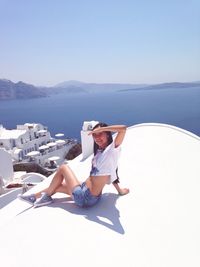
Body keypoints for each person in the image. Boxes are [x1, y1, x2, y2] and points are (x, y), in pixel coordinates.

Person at [18, 123, 129, 208]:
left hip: (85, 197)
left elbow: (123, 129)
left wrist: (103, 128)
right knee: (57, 186)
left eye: (100, 134)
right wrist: (120, 191)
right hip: (91, 195)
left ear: (108, 134)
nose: (97, 137)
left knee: (63, 168)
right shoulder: (100, 152)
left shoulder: (111, 150)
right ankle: (35, 197)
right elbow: (113, 171)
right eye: (95, 135)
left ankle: (42, 197)